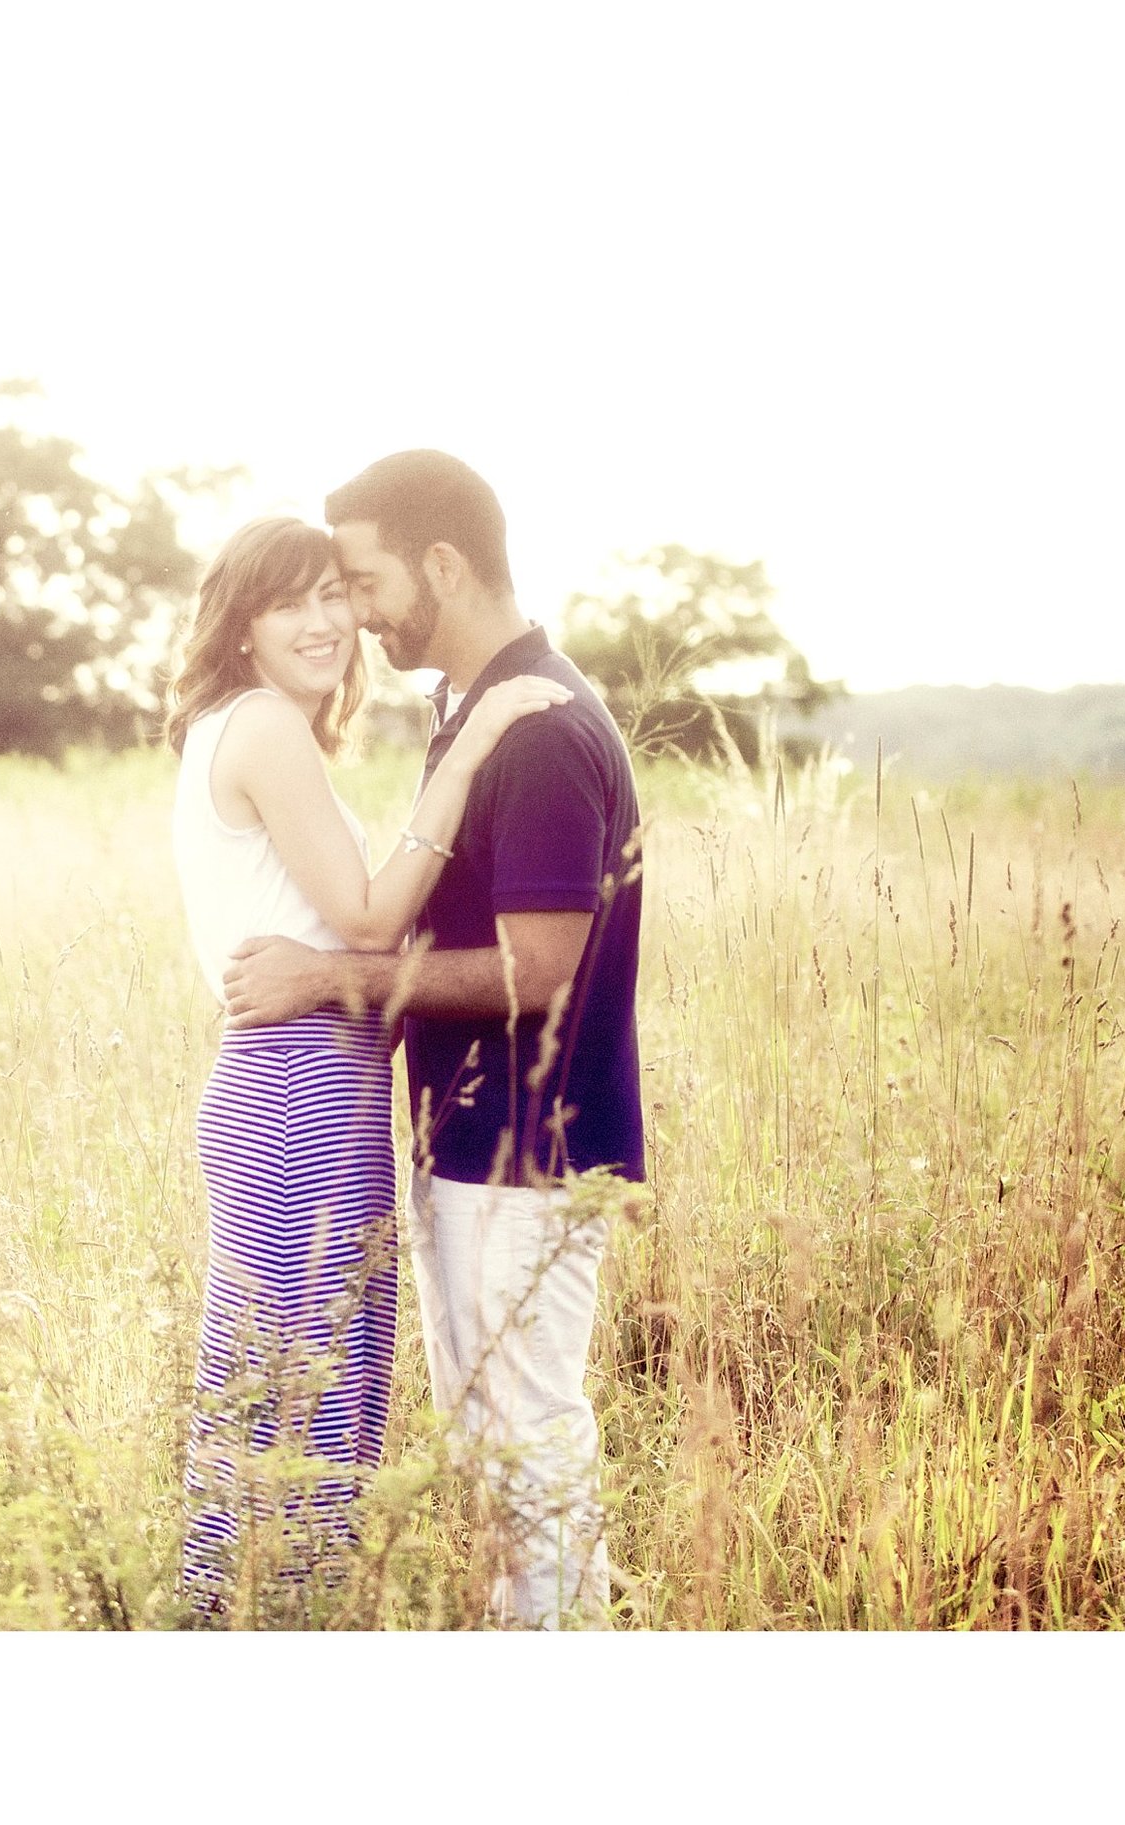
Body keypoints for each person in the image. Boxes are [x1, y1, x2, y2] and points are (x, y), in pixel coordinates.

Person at [222, 452, 646, 1629]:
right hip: (471, 1144)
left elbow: (539, 969)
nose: (352, 614)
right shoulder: (474, 713)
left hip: (531, 1150)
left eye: (362, 582)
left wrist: (330, 976)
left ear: (442, 566)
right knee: (491, 1436)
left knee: (529, 1435)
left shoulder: (542, 730)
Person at [165, 513, 567, 1615]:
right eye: (289, 602)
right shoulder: (262, 729)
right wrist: (477, 745)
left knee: (290, 1384)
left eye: (334, 596)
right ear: (241, 626)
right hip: (296, 1078)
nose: (323, 622)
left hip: (302, 1080)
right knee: (298, 1394)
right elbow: (366, 916)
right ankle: (262, 1616)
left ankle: (252, 1612)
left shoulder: (233, 725)